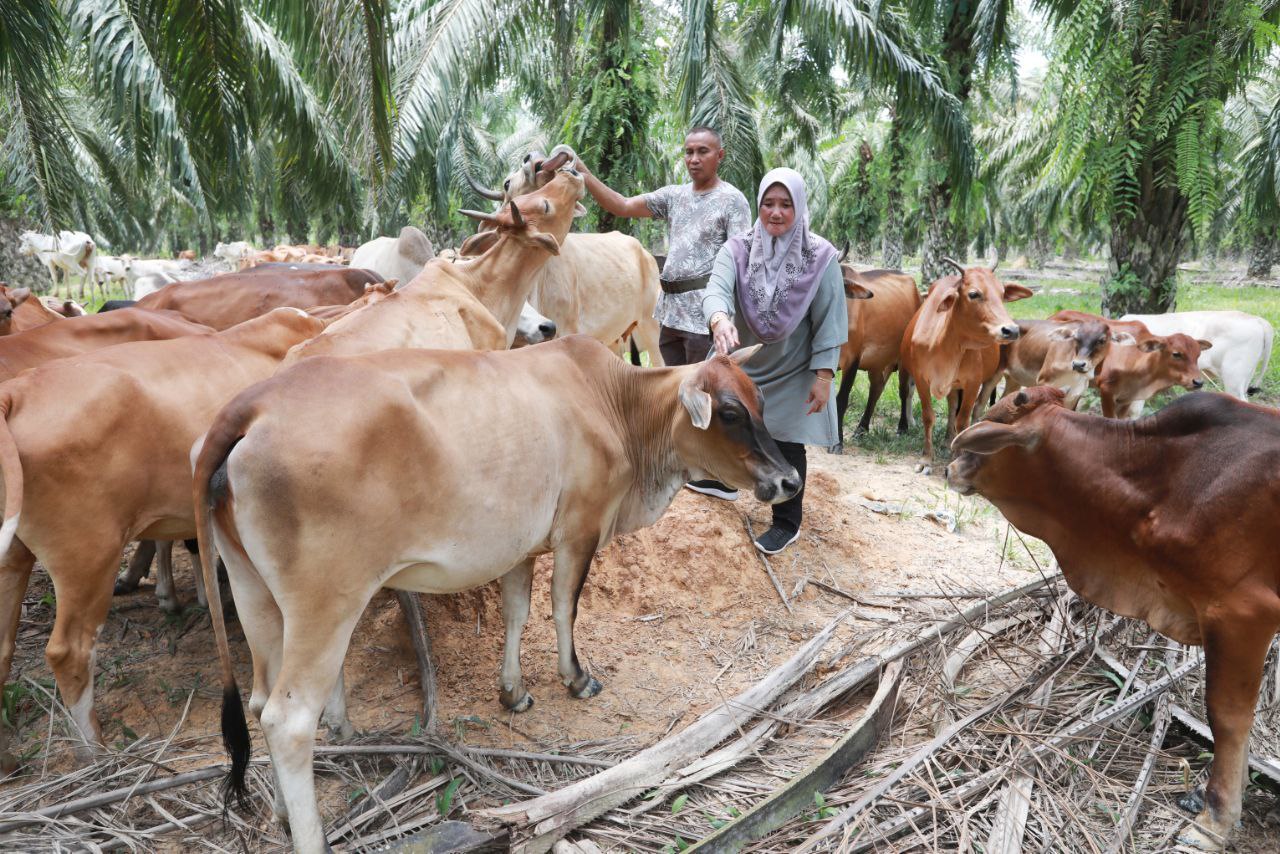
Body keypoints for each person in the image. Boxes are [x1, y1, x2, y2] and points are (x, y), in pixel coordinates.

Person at [702, 168, 848, 555]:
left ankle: (786, 521)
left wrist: (823, 375)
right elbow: (715, 289)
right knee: (726, 420)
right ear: (759, 205)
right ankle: (724, 481)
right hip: (744, 358)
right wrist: (719, 319)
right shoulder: (738, 248)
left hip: (794, 365)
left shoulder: (821, 257)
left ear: (798, 208)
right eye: (769, 203)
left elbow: (831, 319)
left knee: (784, 438)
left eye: (786, 205)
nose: (776, 213)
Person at [573, 127, 752, 369]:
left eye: (703, 152)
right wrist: (583, 172)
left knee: (702, 392)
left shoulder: (732, 200)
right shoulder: (673, 196)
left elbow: (739, 260)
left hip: (705, 318)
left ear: (720, 155)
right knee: (672, 392)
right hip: (670, 314)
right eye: (689, 152)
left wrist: (725, 317)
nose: (694, 159)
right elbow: (623, 205)